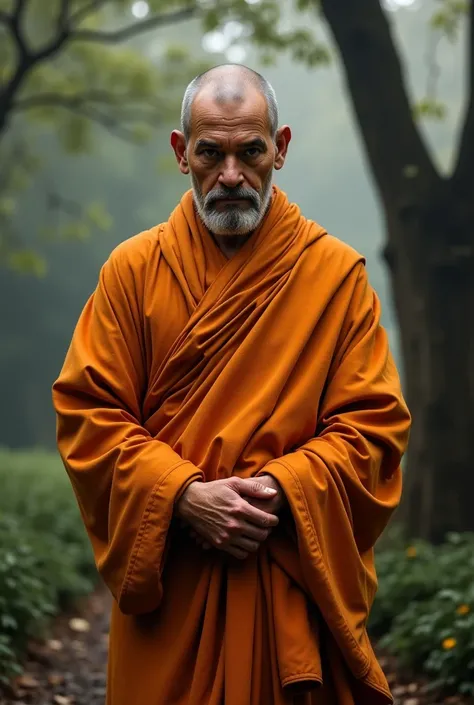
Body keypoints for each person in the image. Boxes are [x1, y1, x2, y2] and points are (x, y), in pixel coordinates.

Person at [52, 64, 411, 705]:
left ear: (281, 148)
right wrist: (183, 496)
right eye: (209, 153)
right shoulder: (132, 272)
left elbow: (374, 427)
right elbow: (88, 413)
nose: (231, 176)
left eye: (251, 152)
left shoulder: (334, 275)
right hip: (174, 589)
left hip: (284, 581)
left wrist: (280, 491)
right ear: (179, 152)